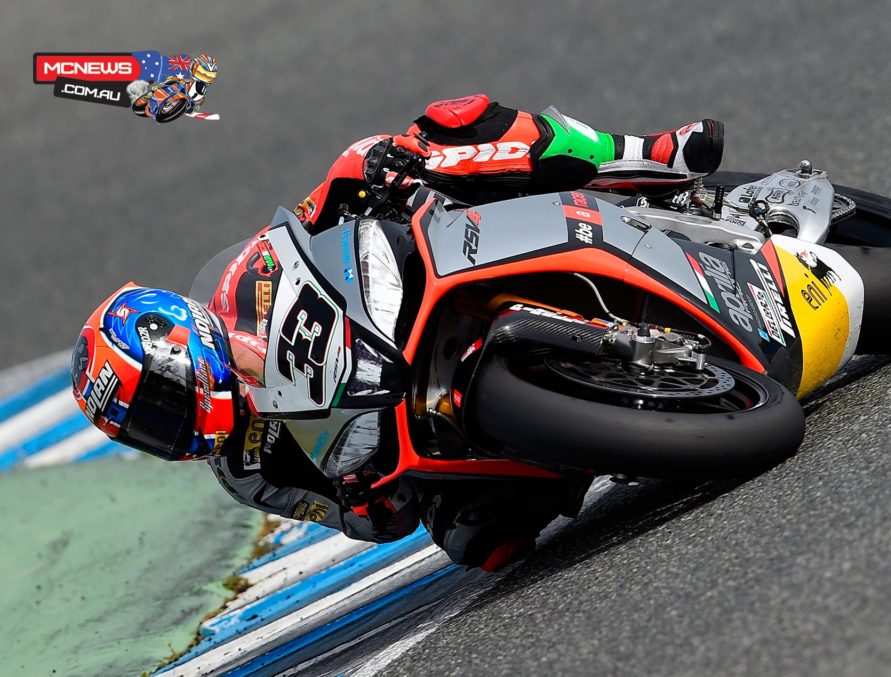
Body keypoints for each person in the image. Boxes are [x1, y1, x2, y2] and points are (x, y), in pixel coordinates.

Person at [72, 95, 724, 570]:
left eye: (158, 405)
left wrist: (383, 169)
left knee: (453, 123)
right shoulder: (246, 472)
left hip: (411, 288)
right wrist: (364, 503)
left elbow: (319, 205)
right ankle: (613, 436)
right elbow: (357, 520)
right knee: (483, 544)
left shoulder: (240, 281)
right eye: (148, 432)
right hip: (413, 428)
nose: (167, 430)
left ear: (180, 343)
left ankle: (647, 156)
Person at [127, 54, 218, 120]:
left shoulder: (202, 91)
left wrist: (195, 107)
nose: (205, 78)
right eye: (202, 74)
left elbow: (198, 102)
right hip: (173, 89)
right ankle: (153, 93)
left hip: (182, 101)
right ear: (194, 68)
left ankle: (167, 104)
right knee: (172, 81)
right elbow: (176, 79)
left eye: (209, 76)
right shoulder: (186, 78)